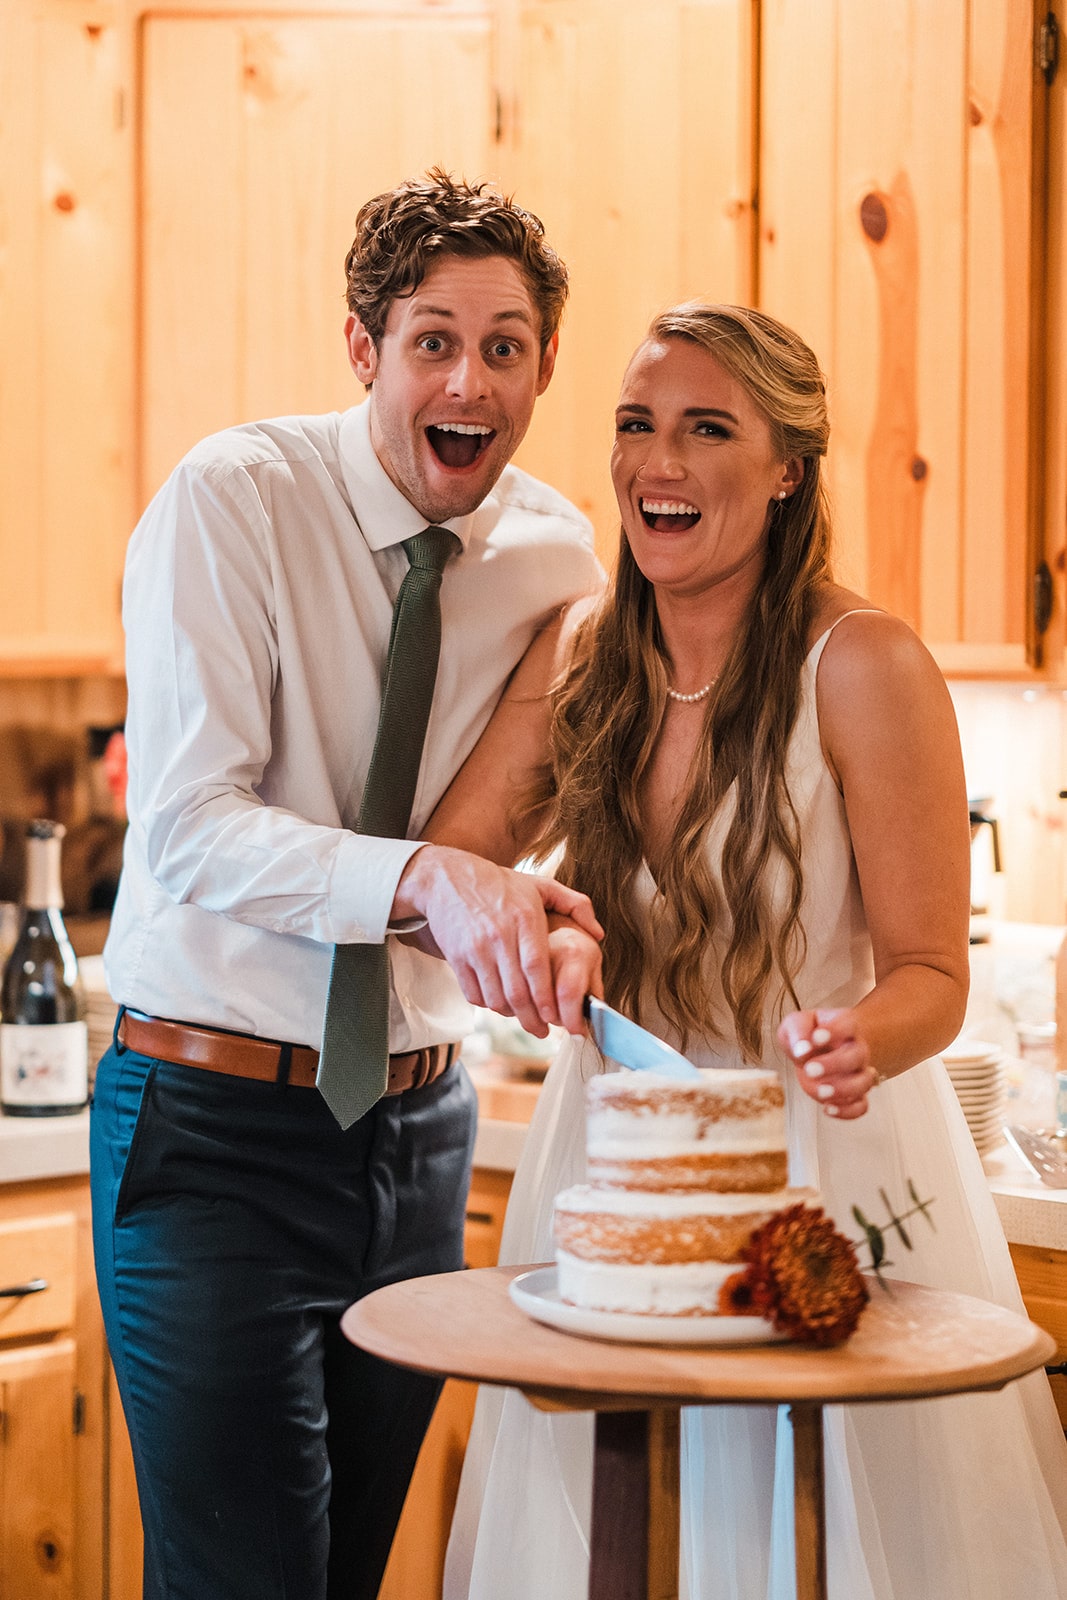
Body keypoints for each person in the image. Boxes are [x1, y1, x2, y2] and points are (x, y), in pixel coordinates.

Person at [428, 304, 1067, 1598]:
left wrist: (852, 1040)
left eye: (706, 429)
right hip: (620, 1162)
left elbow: (933, 979)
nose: (657, 464)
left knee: (811, 1543)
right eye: (635, 426)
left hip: (822, 1167)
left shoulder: (863, 663)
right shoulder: (588, 657)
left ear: (787, 468)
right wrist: (527, 925)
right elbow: (451, 860)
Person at [90, 169, 605, 1600]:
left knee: (357, 1572)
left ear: (545, 367)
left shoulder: (553, 554)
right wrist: (434, 877)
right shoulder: (235, 500)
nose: (470, 376)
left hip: (419, 1135)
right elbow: (189, 827)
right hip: (211, 1133)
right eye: (433, 337)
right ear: (362, 347)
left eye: (505, 346)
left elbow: (495, 819)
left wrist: (533, 899)